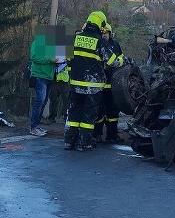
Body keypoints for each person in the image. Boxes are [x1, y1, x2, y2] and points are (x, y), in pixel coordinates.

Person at [64, 11, 123, 152]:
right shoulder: (100, 41)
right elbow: (113, 62)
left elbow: (67, 59)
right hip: (93, 87)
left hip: (75, 84)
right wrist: (123, 60)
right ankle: (84, 143)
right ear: (100, 25)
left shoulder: (75, 38)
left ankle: (69, 141)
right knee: (88, 116)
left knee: (73, 114)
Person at [93, 23, 125, 144]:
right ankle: (97, 134)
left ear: (110, 33)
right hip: (99, 84)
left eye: (106, 33)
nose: (104, 35)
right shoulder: (97, 44)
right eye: (102, 33)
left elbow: (121, 61)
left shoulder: (115, 45)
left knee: (113, 112)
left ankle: (112, 134)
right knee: (99, 111)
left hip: (112, 84)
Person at [28, 26, 59, 137]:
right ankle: (33, 127)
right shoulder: (38, 42)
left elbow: (51, 59)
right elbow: (34, 57)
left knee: (43, 101)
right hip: (39, 76)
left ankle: (36, 125)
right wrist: (50, 60)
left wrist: (58, 62)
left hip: (48, 77)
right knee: (40, 101)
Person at [46, 57, 70, 124]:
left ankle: (66, 117)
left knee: (66, 100)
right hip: (54, 79)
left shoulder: (68, 48)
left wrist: (66, 61)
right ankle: (52, 117)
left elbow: (71, 63)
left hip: (65, 80)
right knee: (53, 100)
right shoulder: (52, 49)